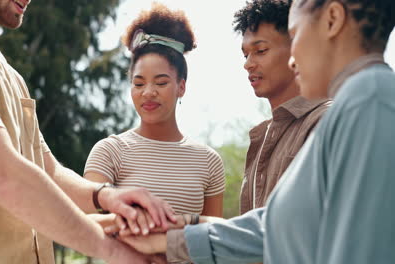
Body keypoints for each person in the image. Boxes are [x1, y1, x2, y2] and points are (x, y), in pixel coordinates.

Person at [115, 0, 395, 263]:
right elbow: (277, 227)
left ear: (332, 20)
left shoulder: (369, 102)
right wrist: (173, 237)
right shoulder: (358, 105)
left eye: (295, 34)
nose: (293, 58)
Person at [0, 1, 176, 263]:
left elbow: (47, 171)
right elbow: (3, 174)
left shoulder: (8, 74)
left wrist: (105, 196)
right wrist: (110, 250)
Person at [84, 2, 225, 226]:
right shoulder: (109, 152)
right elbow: (85, 226)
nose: (148, 93)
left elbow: (215, 238)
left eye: (161, 82)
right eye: (138, 84)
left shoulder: (208, 161)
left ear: (182, 86)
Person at [234, 0, 331, 214]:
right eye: (245, 54)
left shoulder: (324, 122)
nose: (248, 63)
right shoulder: (261, 137)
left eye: (260, 50)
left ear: (297, 48)